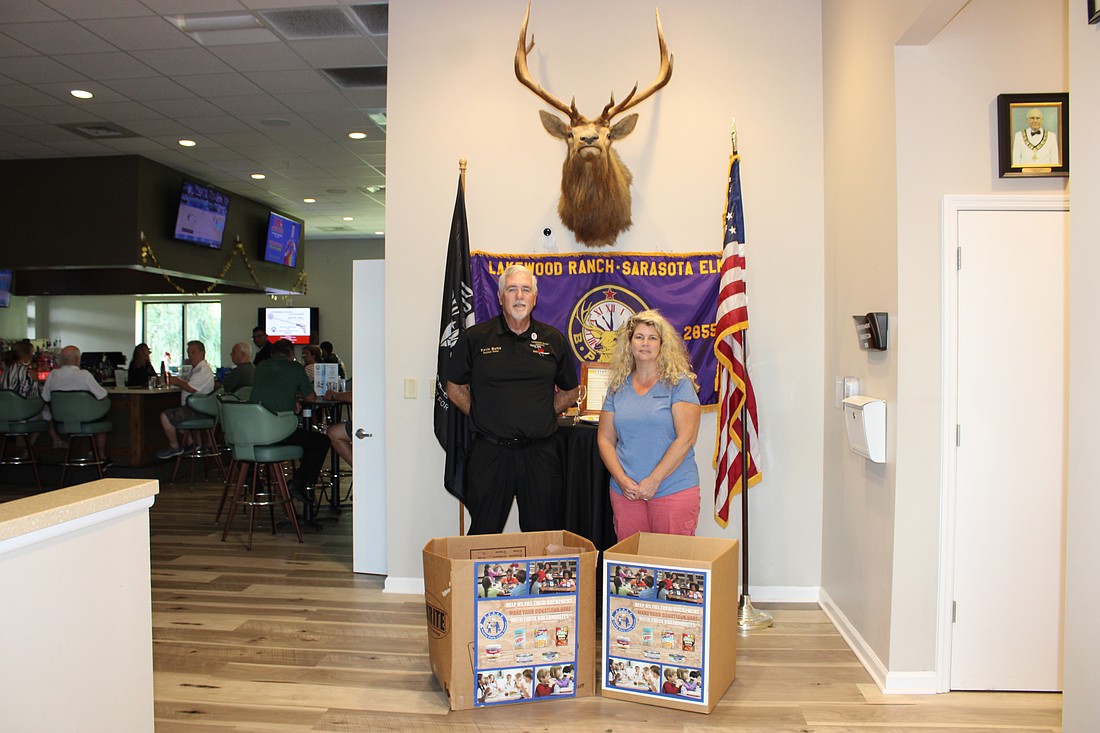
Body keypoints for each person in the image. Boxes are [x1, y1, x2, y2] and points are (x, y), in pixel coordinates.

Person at [445, 264, 580, 534]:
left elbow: (570, 391)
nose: (519, 296)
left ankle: (538, 578)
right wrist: (483, 415)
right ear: (500, 297)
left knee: (543, 534)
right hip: (490, 453)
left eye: (525, 290)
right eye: (512, 289)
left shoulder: (553, 339)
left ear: (535, 298)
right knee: (483, 532)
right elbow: (454, 387)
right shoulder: (476, 338)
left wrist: (541, 414)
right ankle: (480, 578)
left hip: (539, 454)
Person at [596, 309, 702, 541]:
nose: (645, 343)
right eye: (639, 337)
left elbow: (686, 439)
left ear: (663, 345)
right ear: (629, 343)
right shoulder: (617, 386)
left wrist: (654, 480)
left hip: (672, 489)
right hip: (627, 494)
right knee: (631, 572)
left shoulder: (679, 384)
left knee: (671, 570)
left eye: (653, 338)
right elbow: (605, 439)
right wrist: (622, 480)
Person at [249, 338, 329, 504]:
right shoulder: (295, 368)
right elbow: (312, 398)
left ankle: (259, 481)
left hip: (252, 433)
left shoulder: (260, 367)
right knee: (320, 442)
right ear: (291, 354)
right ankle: (299, 482)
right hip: (278, 433)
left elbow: (269, 390)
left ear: (272, 354)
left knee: (308, 440)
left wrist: (291, 398)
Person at [41, 345, 110, 458]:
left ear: (61, 360)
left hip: (62, 422)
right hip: (88, 419)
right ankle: (101, 456)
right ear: (78, 359)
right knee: (102, 416)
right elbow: (103, 396)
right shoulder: (84, 375)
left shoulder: (53, 374)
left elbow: (45, 398)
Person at [155, 340, 216, 459]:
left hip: (199, 411)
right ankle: (193, 444)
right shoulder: (196, 369)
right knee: (179, 419)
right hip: (197, 409)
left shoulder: (203, 370)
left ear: (202, 353)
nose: (191, 356)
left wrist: (176, 381)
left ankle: (175, 446)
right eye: (189, 353)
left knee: (165, 417)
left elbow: (191, 388)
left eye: (194, 352)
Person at [324, 387, 353, 467]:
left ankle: (361, 471)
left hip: (374, 425)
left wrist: (334, 395)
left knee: (334, 433)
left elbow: (355, 396)